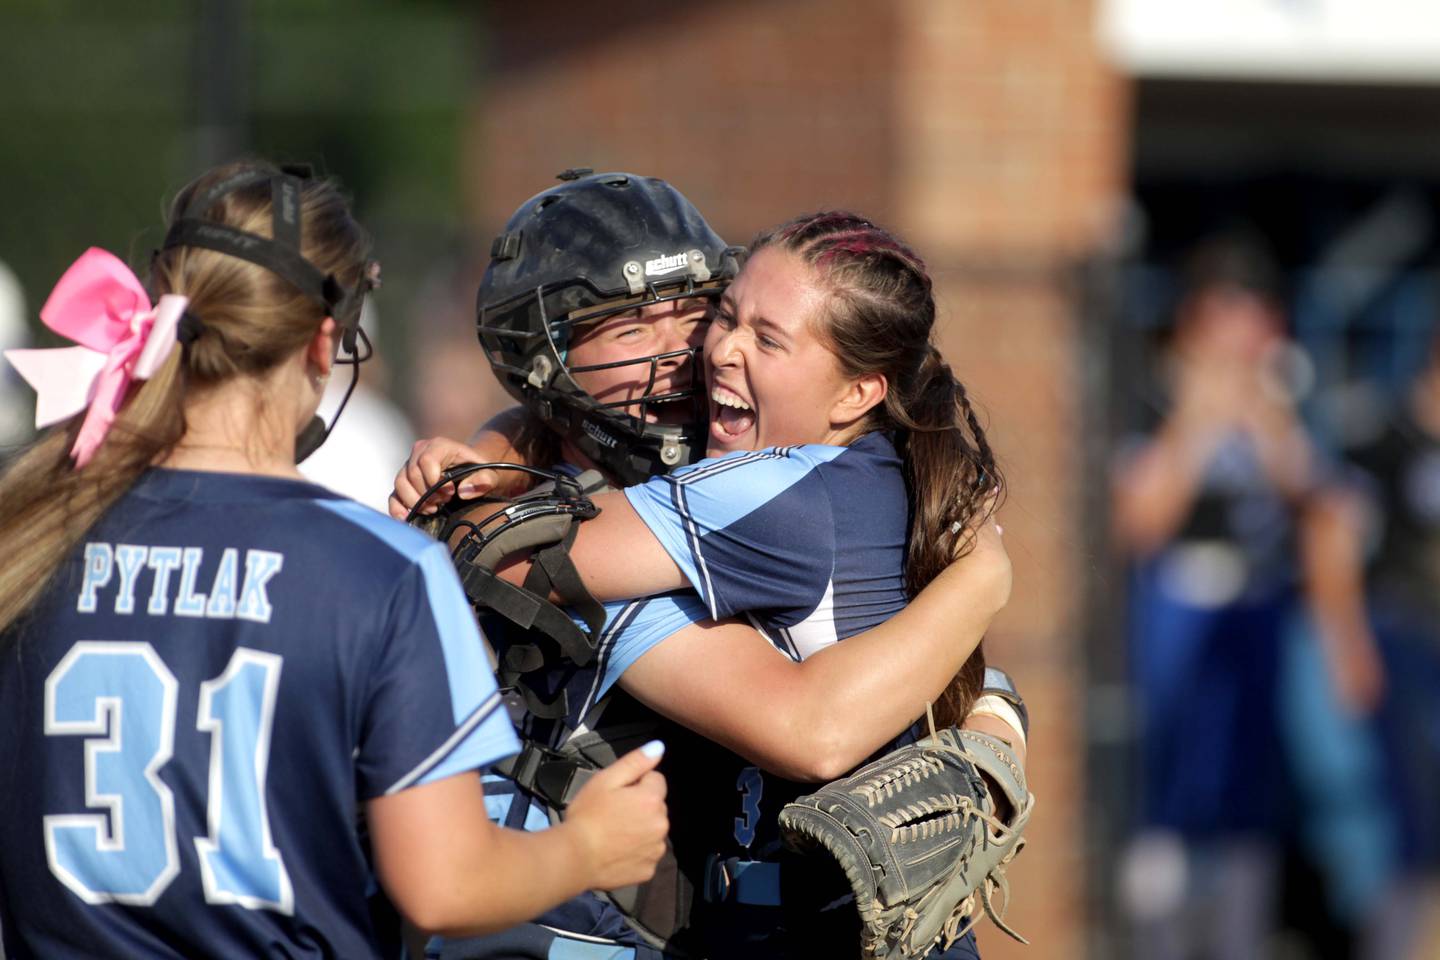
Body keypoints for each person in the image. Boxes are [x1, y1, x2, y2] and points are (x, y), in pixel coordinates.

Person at [0, 160, 670, 959]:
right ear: (324, 340)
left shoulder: (31, 533)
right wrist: (590, 847)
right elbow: (447, 885)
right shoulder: (382, 573)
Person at [394, 174, 1026, 959]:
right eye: (630, 328)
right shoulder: (854, 461)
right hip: (546, 915)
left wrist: (473, 484)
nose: (692, 350)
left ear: (857, 389)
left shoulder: (744, 490)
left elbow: (811, 727)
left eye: (689, 311)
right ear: (544, 357)